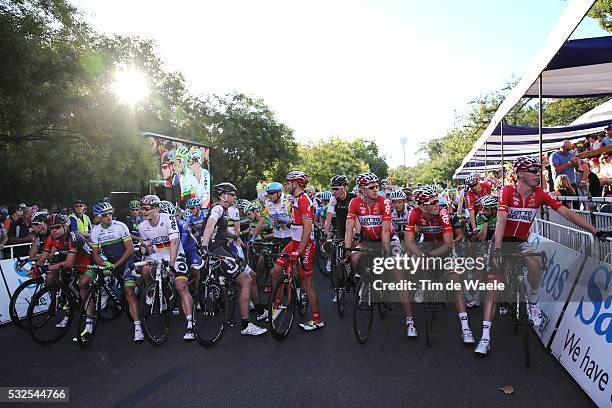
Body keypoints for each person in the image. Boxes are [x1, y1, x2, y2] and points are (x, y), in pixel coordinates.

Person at [476, 156, 604, 356]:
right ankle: (485, 337)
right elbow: (501, 220)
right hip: (501, 242)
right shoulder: (507, 191)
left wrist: (593, 229)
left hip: (520, 243)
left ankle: (533, 303)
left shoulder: (541, 193)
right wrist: (498, 250)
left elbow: (567, 213)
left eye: (538, 170)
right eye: (533, 170)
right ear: (519, 174)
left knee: (535, 261)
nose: (538, 174)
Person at [405, 186, 474, 344]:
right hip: (427, 246)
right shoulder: (414, 213)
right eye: (433, 202)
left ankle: (466, 328)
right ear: (422, 206)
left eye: (438, 201)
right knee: (415, 263)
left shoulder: (443, 212)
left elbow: (449, 244)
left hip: (444, 248)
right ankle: (420, 284)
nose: (438, 204)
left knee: (455, 281)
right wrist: (422, 255)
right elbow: (409, 241)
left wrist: (432, 255)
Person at [345, 173, 409, 336]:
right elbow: (348, 228)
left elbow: (386, 230)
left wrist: (386, 251)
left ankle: (409, 318)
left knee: (396, 270)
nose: (376, 189)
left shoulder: (384, 201)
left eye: (377, 186)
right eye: (371, 187)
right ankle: (364, 280)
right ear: (361, 189)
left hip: (388, 237)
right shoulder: (354, 202)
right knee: (354, 256)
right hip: (368, 238)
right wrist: (347, 249)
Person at [200, 183, 268, 336]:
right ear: (223, 196)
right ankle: (245, 325)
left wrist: (235, 236)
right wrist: (204, 246)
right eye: (232, 194)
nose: (235, 197)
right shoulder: (217, 208)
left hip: (224, 247)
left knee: (253, 275)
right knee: (246, 280)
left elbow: (222, 230)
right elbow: (210, 225)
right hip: (216, 250)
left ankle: (260, 311)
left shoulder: (224, 211)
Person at [270, 171, 324, 331]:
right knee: (275, 271)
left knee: (308, 283)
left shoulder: (304, 200)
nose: (287, 185)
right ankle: (277, 304)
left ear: (297, 183)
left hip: (304, 245)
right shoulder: (295, 199)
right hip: (293, 242)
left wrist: (299, 251)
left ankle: (317, 319)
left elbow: (308, 228)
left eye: (289, 182)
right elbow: (296, 223)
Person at [137, 195, 195, 341]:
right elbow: (148, 247)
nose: (143, 212)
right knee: (144, 269)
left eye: (146, 208)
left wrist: (171, 264)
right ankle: (152, 292)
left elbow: (175, 242)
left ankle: (190, 324)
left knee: (181, 286)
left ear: (156, 208)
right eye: (141, 209)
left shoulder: (168, 218)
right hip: (158, 254)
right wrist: (144, 249)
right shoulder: (142, 226)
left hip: (174, 253)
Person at [89, 202, 142, 343]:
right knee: (102, 279)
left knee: (129, 292)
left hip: (126, 261)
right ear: (98, 217)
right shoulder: (95, 231)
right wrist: (103, 263)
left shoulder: (120, 226)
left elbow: (130, 249)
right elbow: (95, 254)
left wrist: (116, 265)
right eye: (105, 215)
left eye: (110, 214)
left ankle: (138, 327)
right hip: (111, 263)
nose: (109, 217)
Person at [32, 213, 95, 331]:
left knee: (82, 286)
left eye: (57, 227)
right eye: (51, 228)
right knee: (59, 283)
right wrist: (35, 267)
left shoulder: (72, 237)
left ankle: (90, 321)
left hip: (88, 262)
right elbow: (42, 258)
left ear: (64, 227)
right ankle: (68, 312)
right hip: (74, 262)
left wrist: (44, 268)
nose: (54, 230)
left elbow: (68, 263)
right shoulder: (51, 238)